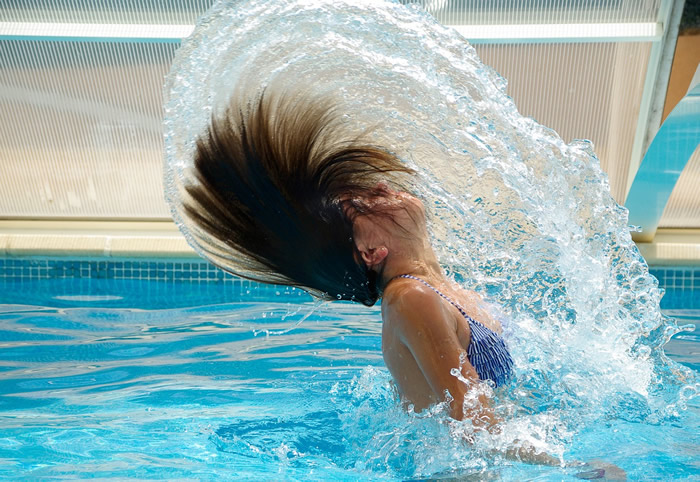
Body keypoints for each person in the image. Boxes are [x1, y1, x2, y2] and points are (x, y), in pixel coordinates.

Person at [181, 89, 619, 474]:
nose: (384, 186)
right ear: (370, 252)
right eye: (366, 202)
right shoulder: (411, 299)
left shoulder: (443, 291)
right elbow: (477, 428)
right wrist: (579, 470)